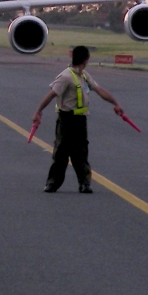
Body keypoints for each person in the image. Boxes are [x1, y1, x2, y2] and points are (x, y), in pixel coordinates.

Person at [32, 45, 124, 193]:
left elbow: (99, 90)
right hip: (66, 119)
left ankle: (84, 183)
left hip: (80, 121)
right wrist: (38, 112)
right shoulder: (66, 77)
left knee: (80, 153)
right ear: (85, 60)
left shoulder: (84, 76)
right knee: (61, 152)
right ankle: (53, 183)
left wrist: (115, 103)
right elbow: (51, 95)